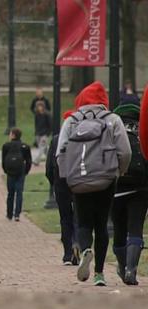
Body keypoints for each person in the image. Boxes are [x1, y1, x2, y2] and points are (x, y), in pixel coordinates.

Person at [56, 81, 131, 286]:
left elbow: (60, 151)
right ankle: (99, 273)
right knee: (102, 224)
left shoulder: (72, 120)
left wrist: (68, 176)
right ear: (103, 101)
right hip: (106, 179)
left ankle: (85, 249)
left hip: (78, 179)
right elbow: (125, 151)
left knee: (83, 221)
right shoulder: (112, 119)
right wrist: (119, 171)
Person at [111, 103, 148, 285]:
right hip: (140, 189)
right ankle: (131, 270)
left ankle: (122, 265)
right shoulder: (142, 135)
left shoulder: (113, 134)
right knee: (135, 227)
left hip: (116, 189)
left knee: (119, 229)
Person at [46, 130, 80, 266]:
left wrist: (53, 183)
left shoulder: (56, 139)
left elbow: (49, 165)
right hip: (78, 181)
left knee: (65, 218)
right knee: (79, 217)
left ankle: (67, 253)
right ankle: (77, 243)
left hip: (61, 182)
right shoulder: (81, 136)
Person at [2, 128, 32, 221]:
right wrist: (26, 171)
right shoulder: (25, 146)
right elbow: (29, 161)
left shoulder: (6, 146)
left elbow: (3, 160)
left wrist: (6, 170)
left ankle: (9, 214)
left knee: (10, 193)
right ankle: (17, 214)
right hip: (20, 172)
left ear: (13, 135)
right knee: (19, 193)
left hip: (10, 172)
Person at [32, 101, 52, 166]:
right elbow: (36, 124)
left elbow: (50, 125)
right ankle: (51, 159)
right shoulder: (37, 115)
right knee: (45, 149)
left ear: (43, 106)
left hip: (45, 134)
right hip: (38, 133)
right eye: (38, 106)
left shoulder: (47, 114)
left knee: (42, 147)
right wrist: (36, 133)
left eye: (40, 106)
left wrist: (48, 133)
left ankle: (36, 160)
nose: (39, 108)